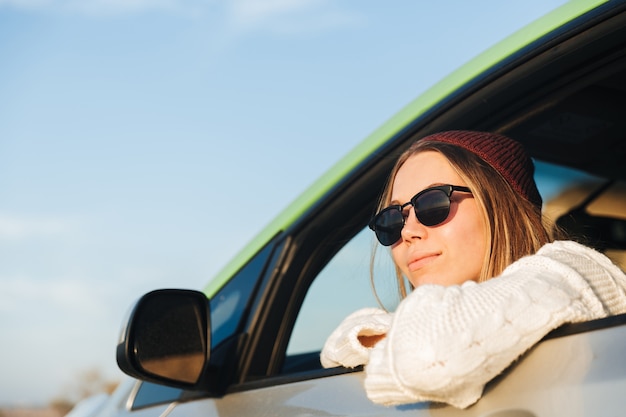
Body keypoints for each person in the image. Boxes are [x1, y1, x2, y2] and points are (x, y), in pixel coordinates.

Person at [320, 130, 626, 409]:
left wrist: (380, 335)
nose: (407, 231)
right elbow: (337, 347)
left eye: (432, 204)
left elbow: (429, 356)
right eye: (392, 219)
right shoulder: (469, 324)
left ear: (501, 205)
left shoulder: (575, 272)